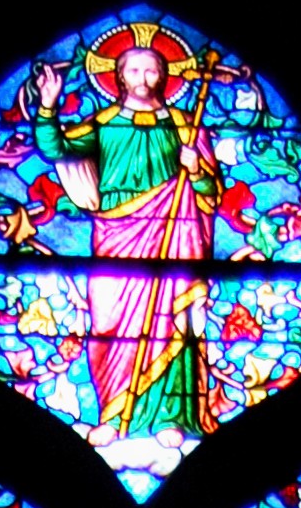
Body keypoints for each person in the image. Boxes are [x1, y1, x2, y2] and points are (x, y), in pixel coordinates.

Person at [31, 23, 218, 449]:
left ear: (164, 77)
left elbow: (210, 193)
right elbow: (56, 148)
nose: (143, 78)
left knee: (173, 316)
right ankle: (113, 416)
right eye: (134, 70)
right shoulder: (103, 124)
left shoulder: (184, 126)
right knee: (111, 326)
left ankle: (171, 415)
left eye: (152, 70)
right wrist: (48, 106)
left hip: (176, 231)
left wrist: (195, 169)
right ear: (118, 77)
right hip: (117, 234)